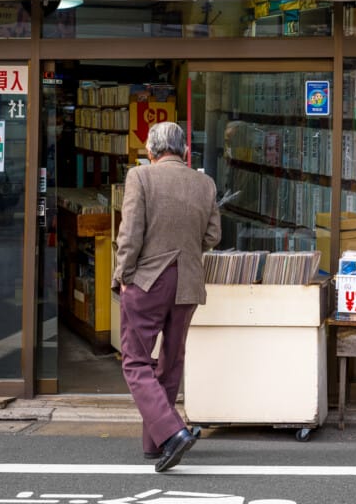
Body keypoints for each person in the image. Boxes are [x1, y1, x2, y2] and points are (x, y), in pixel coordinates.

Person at [112, 121, 220, 471]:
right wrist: (185, 248)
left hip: (147, 280)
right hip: (188, 280)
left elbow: (129, 234)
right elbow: (213, 236)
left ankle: (172, 434)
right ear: (184, 150)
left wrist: (123, 275)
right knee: (170, 362)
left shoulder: (139, 177)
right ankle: (156, 443)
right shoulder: (205, 183)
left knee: (135, 361)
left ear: (150, 150)